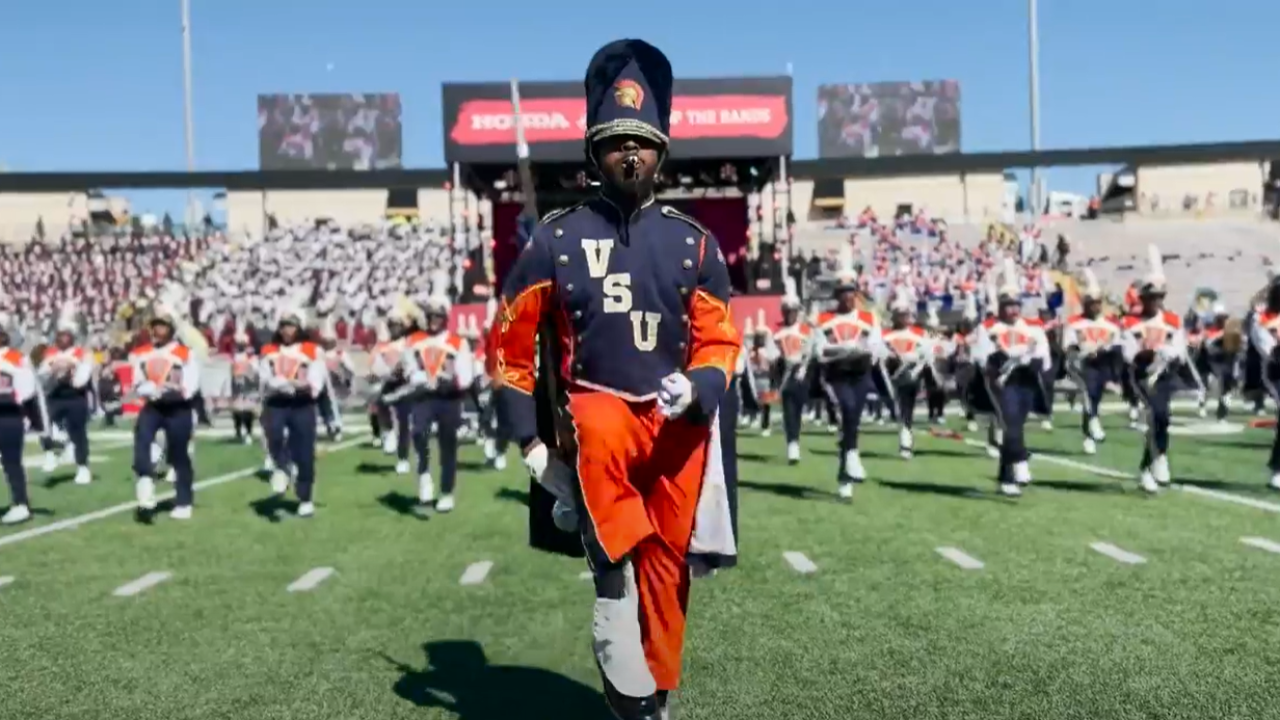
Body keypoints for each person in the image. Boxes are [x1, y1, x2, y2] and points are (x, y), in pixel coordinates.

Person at [491, 39, 739, 720]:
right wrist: (532, 447)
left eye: (643, 142)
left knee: (667, 572)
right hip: (595, 411)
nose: (631, 154)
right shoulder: (556, 238)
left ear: (661, 152)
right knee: (615, 530)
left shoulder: (696, 242)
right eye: (615, 142)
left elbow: (721, 340)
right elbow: (511, 348)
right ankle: (609, 580)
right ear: (593, 154)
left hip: (676, 427)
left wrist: (698, 388)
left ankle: (653, 697)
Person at [814, 244, 887, 498]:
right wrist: (844, 349)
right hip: (836, 375)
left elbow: (876, 347)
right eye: (842, 292)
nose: (847, 296)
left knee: (853, 418)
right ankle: (852, 455)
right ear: (836, 294)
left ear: (856, 293)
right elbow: (819, 350)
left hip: (860, 373)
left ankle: (845, 474)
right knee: (846, 410)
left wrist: (859, 350)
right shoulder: (824, 319)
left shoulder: (869, 318)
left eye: (850, 291)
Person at [1121, 245, 1187, 494]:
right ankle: (1154, 461)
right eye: (1151, 298)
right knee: (1155, 414)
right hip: (1142, 375)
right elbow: (1129, 354)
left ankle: (1154, 460)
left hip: (1165, 374)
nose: (1156, 302)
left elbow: (1179, 349)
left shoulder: (1173, 320)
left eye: (1159, 297)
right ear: (1143, 299)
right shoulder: (1130, 322)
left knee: (1162, 418)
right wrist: (1148, 351)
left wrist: (1170, 352)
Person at [400, 292, 474, 513]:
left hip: (448, 398)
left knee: (448, 445)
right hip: (424, 396)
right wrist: (422, 379)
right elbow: (409, 369)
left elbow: (465, 376)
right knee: (418, 432)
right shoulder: (413, 341)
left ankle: (446, 492)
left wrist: (444, 381)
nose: (434, 320)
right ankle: (424, 475)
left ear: (445, 317)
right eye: (430, 315)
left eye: (438, 316)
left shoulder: (457, 342)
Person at [130, 302, 202, 519]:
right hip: (153, 407)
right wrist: (148, 389)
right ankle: (144, 481)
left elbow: (190, 386)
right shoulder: (142, 353)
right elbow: (137, 382)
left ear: (171, 329)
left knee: (179, 455)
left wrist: (166, 391)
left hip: (178, 408)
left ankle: (183, 501)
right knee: (142, 440)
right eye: (155, 326)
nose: (157, 331)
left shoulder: (185, 353)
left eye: (162, 326)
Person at [259, 306, 327, 517]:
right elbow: (264, 379)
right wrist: (275, 384)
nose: (286, 330)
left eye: (291, 325)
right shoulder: (269, 350)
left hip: (302, 403)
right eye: (283, 326)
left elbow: (315, 383)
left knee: (305, 450)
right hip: (276, 402)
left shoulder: (313, 350)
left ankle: (305, 497)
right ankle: (282, 465)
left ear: (299, 327)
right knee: (274, 435)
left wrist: (292, 383)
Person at [1061, 269, 1121, 455]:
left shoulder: (1110, 324)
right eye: (1092, 303)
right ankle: (1092, 422)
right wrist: (1082, 351)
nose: (1096, 307)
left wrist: (1104, 350)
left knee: (1094, 397)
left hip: (1101, 364)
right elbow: (1068, 346)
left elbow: (1116, 346)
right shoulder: (1074, 322)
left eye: (1098, 303)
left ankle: (1089, 431)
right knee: (1089, 393)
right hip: (1081, 364)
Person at [37, 302, 94, 484]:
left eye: (66, 335)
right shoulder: (50, 353)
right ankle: (49, 453)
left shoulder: (81, 353)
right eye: (60, 335)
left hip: (75, 397)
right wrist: (53, 372)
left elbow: (82, 379)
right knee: (42, 423)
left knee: (78, 433)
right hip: (54, 395)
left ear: (72, 336)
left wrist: (70, 372)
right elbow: (42, 375)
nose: (62, 338)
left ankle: (83, 467)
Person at [0, 323, 39, 525]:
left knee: (11, 462)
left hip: (8, 414)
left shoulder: (16, 358)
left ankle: (21, 504)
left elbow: (27, 388)